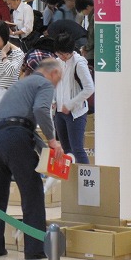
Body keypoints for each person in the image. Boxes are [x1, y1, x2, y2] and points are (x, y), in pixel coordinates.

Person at [0, 58, 64, 260]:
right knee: (32, 191)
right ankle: (35, 249)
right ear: (53, 73)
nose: (57, 84)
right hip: (15, 137)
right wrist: (53, 141)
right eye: (59, 79)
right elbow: (40, 110)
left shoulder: (21, 83)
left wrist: (43, 146)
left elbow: (18, 120)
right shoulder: (44, 84)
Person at [53, 33, 94, 164]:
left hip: (76, 113)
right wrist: (54, 101)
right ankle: (71, 181)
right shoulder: (58, 62)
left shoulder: (79, 63)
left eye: (64, 54)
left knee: (77, 149)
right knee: (66, 150)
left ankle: (86, 182)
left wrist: (70, 104)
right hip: (59, 112)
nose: (62, 56)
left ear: (70, 51)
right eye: (59, 53)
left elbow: (89, 88)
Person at [76, 0, 95, 68]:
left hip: (94, 52)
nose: (83, 14)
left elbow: (91, 35)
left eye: (82, 11)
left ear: (87, 7)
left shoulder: (93, 16)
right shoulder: (95, 13)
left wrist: (86, 48)